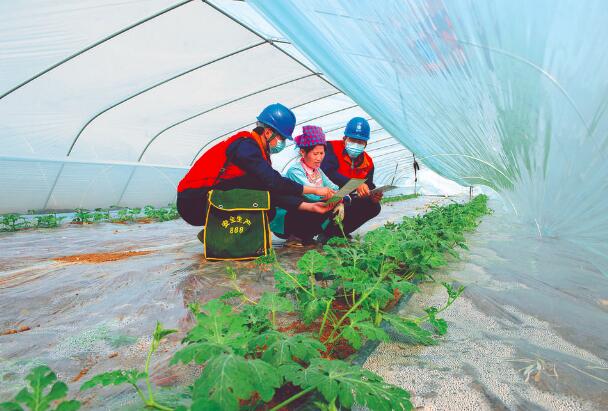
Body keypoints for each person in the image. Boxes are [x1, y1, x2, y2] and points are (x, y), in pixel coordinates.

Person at [177, 103, 335, 242]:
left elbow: (273, 186)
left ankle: (221, 233)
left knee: (267, 203)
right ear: (267, 132)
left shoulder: (257, 150)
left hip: (205, 197)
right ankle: (219, 233)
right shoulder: (246, 146)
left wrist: (310, 207)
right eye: (281, 137)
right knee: (263, 191)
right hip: (193, 201)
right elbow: (273, 182)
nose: (282, 142)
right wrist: (314, 191)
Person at [270, 125, 341, 245]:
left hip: (309, 211)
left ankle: (306, 235)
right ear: (303, 152)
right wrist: (331, 195)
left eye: (322, 153)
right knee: (313, 202)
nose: (319, 158)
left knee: (333, 205)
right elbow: (312, 196)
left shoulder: (318, 171)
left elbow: (334, 187)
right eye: (315, 154)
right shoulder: (295, 171)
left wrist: (339, 196)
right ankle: (295, 236)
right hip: (288, 220)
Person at [320, 117, 382, 238]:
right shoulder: (330, 148)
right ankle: (319, 230)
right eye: (353, 140)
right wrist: (355, 184)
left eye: (360, 142)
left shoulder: (368, 163)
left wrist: (373, 196)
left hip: (348, 200)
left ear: (366, 144)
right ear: (344, 139)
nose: (356, 145)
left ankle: (338, 233)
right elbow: (327, 173)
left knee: (373, 207)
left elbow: (369, 185)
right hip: (327, 196)